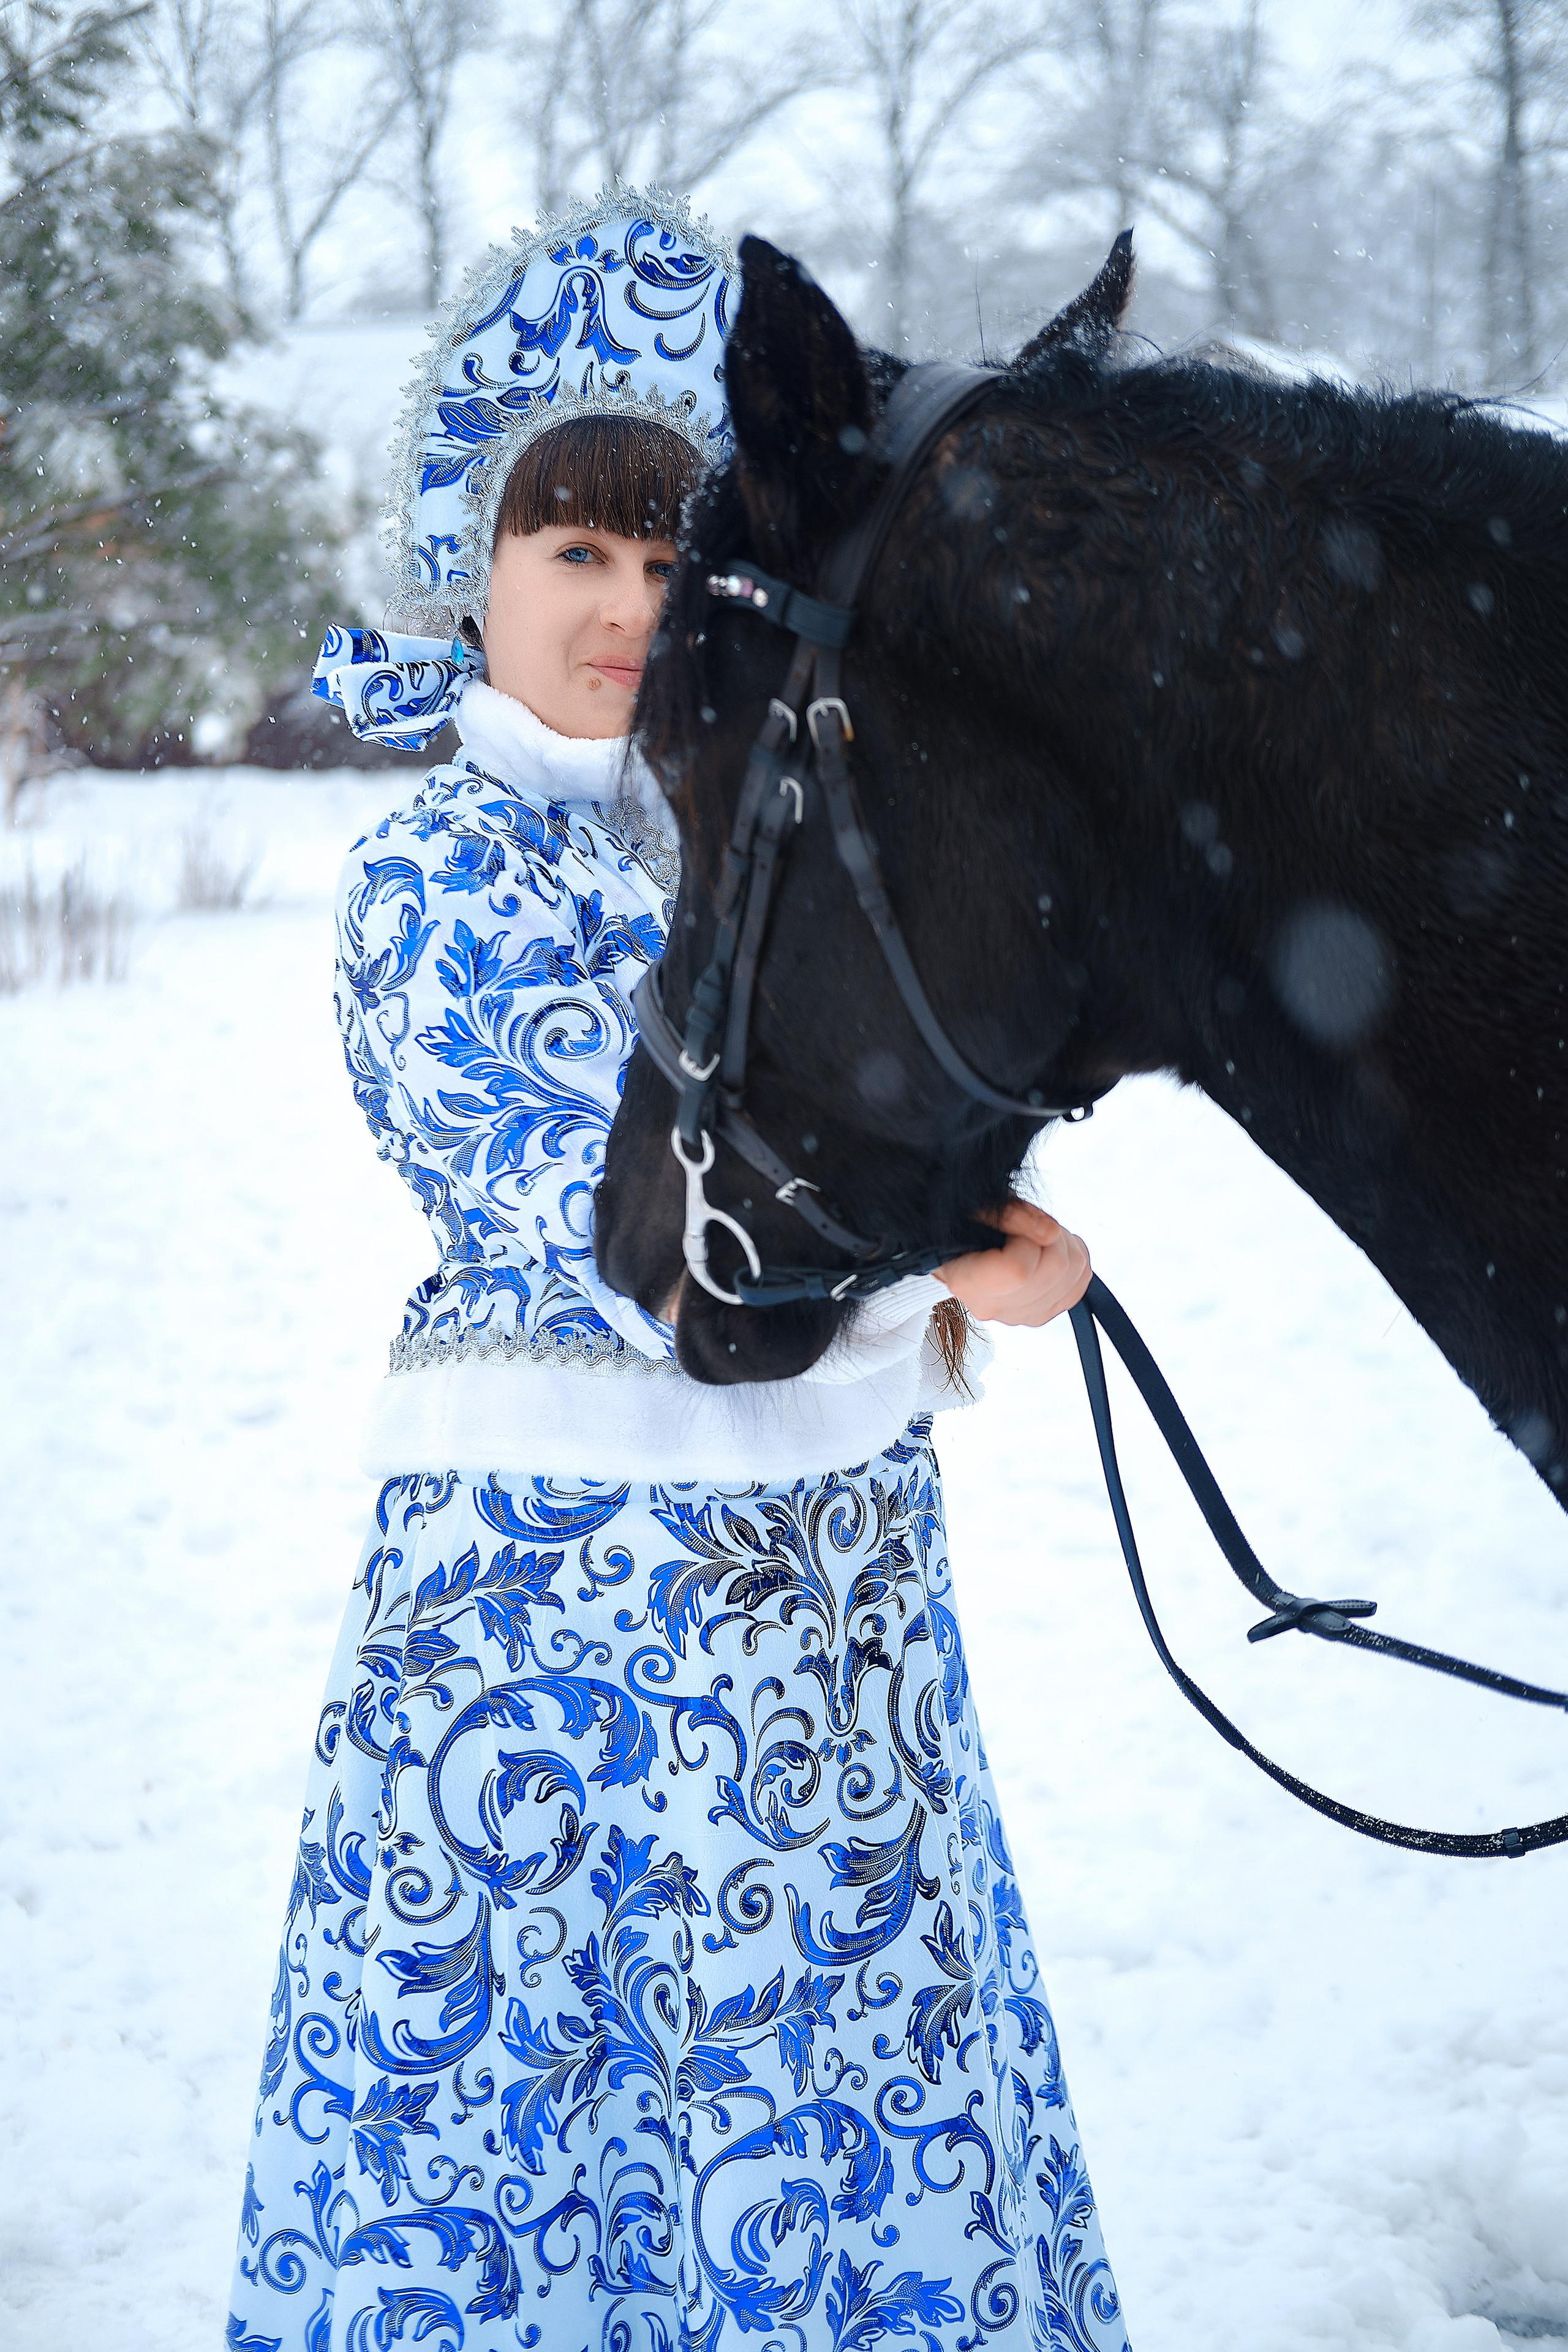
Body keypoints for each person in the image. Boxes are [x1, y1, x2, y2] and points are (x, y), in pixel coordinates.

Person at [227, 189, 1126, 2352]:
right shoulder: (438, 872)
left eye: (671, 558)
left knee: (840, 2107)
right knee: (547, 2132)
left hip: (828, 1610)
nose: (629, 609)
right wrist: (944, 1248)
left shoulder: (767, 837)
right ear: (478, 563)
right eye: (578, 552)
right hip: (554, 1634)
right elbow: (626, 1202)